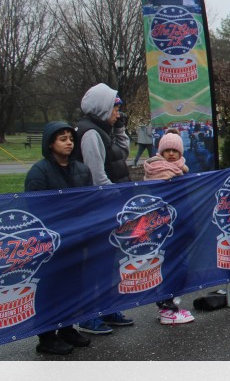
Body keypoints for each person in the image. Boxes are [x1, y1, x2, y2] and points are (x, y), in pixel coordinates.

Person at [24, 121, 94, 355]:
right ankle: (46, 336)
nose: (69, 143)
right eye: (63, 139)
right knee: (50, 289)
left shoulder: (82, 170)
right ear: (50, 143)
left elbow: (89, 202)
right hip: (51, 243)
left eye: (71, 139)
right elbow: (35, 209)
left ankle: (67, 328)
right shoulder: (39, 172)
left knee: (73, 286)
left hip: (77, 240)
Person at [72, 83, 134, 334]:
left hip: (108, 206)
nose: (118, 114)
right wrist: (121, 197)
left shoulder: (103, 130)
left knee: (109, 261)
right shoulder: (90, 134)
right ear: (103, 108)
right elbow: (97, 178)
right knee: (96, 263)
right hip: (98, 208)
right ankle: (89, 315)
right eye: (115, 109)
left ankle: (106, 308)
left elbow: (121, 154)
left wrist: (120, 129)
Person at [140, 130, 196, 324]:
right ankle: (167, 307)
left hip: (180, 225)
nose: (171, 154)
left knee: (178, 266)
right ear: (161, 152)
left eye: (175, 150)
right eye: (167, 150)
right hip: (167, 229)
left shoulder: (179, 170)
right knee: (172, 267)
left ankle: (170, 304)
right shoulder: (161, 173)